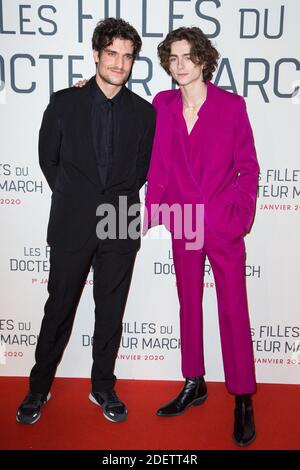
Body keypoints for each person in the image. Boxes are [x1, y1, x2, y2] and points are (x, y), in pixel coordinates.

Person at [16, 17, 156, 425]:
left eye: (127, 56)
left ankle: (103, 386)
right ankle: (38, 387)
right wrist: (77, 196)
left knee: (111, 309)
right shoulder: (64, 102)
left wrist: (115, 200)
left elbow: (143, 167)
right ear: (96, 54)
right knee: (59, 307)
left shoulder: (144, 113)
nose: (119, 63)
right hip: (73, 219)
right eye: (111, 53)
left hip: (120, 217)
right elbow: (49, 158)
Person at [143, 27, 259, 446]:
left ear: (204, 59)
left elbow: (249, 166)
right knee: (188, 304)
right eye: (173, 58)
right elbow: (150, 150)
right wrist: (86, 90)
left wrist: (240, 216)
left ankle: (243, 395)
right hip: (184, 223)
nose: (180, 65)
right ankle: (194, 381)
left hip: (223, 225)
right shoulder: (162, 104)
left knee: (233, 309)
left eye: (188, 56)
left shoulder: (231, 106)